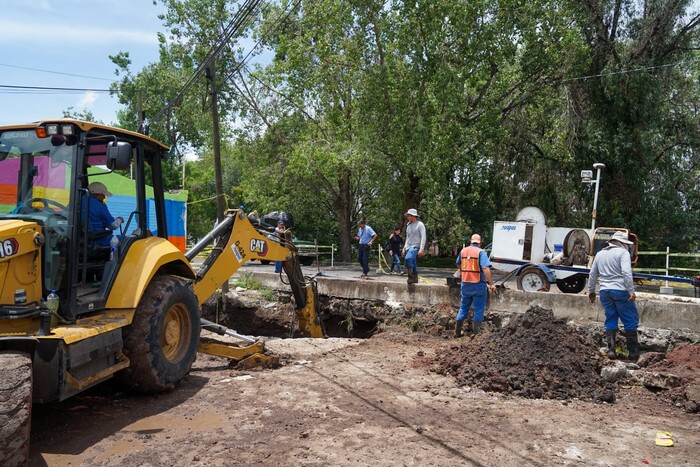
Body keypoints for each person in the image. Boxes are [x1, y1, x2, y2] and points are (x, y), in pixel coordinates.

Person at [588, 230, 640, 361]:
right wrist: (631, 291)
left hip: (605, 291)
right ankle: (633, 353)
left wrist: (591, 290)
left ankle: (611, 351)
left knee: (610, 318)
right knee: (630, 319)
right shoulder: (623, 253)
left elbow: (593, 274)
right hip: (621, 291)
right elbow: (626, 273)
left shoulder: (599, 254)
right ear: (622, 243)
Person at [455, 234, 496, 337]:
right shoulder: (481, 252)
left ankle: (457, 332)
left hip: (465, 284)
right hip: (478, 285)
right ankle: (475, 334)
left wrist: (462, 272)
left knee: (463, 308)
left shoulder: (463, 251)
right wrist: (491, 284)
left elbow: (458, 263)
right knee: (479, 309)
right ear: (480, 242)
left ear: (470, 241)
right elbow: (485, 268)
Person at [84, 181, 123, 247]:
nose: (104, 197)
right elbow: (113, 226)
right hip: (99, 240)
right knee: (128, 240)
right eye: (103, 195)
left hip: (85, 240)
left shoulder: (78, 201)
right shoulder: (100, 206)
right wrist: (119, 219)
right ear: (97, 194)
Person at [402, 208, 426, 284]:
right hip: (409, 246)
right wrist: (404, 248)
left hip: (416, 246)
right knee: (413, 262)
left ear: (413, 216)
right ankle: (415, 277)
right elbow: (407, 238)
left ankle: (411, 276)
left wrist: (421, 249)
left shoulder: (420, 225)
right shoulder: (408, 226)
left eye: (409, 216)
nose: (408, 217)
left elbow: (423, 237)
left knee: (408, 259)